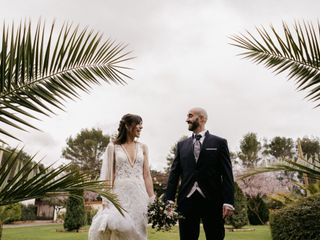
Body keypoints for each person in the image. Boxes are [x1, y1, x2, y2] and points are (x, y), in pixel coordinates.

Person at [165, 107, 235, 240]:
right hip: (186, 200)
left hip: (213, 200)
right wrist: (169, 199)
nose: (187, 119)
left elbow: (227, 174)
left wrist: (228, 201)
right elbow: (174, 174)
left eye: (190, 116)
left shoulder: (219, 143)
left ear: (202, 118)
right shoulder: (181, 145)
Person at [89, 113, 155, 240]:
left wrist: (152, 199)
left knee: (139, 230)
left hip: (139, 195)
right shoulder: (112, 147)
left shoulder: (143, 147)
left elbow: (147, 175)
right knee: (120, 230)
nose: (141, 127)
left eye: (141, 125)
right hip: (119, 196)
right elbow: (110, 175)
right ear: (127, 125)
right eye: (138, 124)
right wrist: (106, 199)